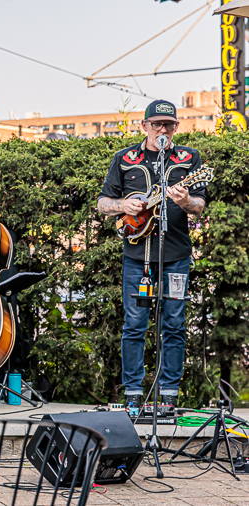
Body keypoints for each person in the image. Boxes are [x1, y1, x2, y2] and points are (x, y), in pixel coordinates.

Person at [97, 99, 205, 413]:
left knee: (173, 323)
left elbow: (199, 206)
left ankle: (169, 396)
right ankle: (133, 395)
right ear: (144, 126)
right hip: (136, 256)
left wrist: (185, 202)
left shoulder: (190, 158)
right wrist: (122, 206)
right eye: (156, 123)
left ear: (176, 128)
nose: (162, 129)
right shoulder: (125, 158)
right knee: (134, 325)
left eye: (168, 124)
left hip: (175, 255)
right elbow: (104, 202)